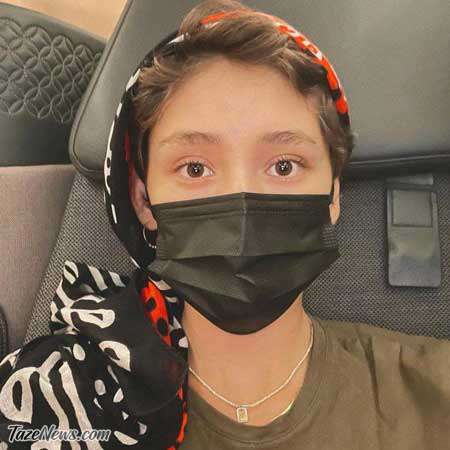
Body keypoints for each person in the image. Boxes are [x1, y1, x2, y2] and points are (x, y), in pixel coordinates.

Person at [0, 1, 449, 449]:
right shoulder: (58, 395)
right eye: (195, 168)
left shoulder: (433, 390)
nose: (241, 202)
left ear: (333, 197)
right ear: (143, 200)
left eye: (284, 165)